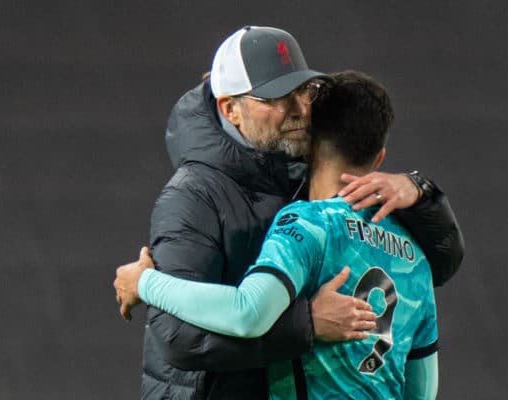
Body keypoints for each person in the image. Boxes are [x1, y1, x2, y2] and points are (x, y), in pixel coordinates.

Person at [115, 26, 463, 400]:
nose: (300, 110)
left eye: (303, 90)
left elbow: (443, 261)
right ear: (230, 108)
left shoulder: (301, 177)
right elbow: (178, 340)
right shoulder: (192, 197)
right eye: (277, 96)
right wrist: (307, 325)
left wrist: (419, 190)